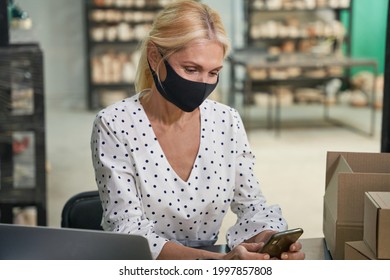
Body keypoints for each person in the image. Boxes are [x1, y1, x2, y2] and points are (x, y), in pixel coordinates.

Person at [90, 0, 304, 260]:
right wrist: (217, 262)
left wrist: (267, 239)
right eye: (191, 69)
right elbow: (127, 228)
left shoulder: (227, 121)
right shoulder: (115, 123)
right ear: (155, 56)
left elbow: (252, 207)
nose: (203, 84)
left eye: (213, 72)